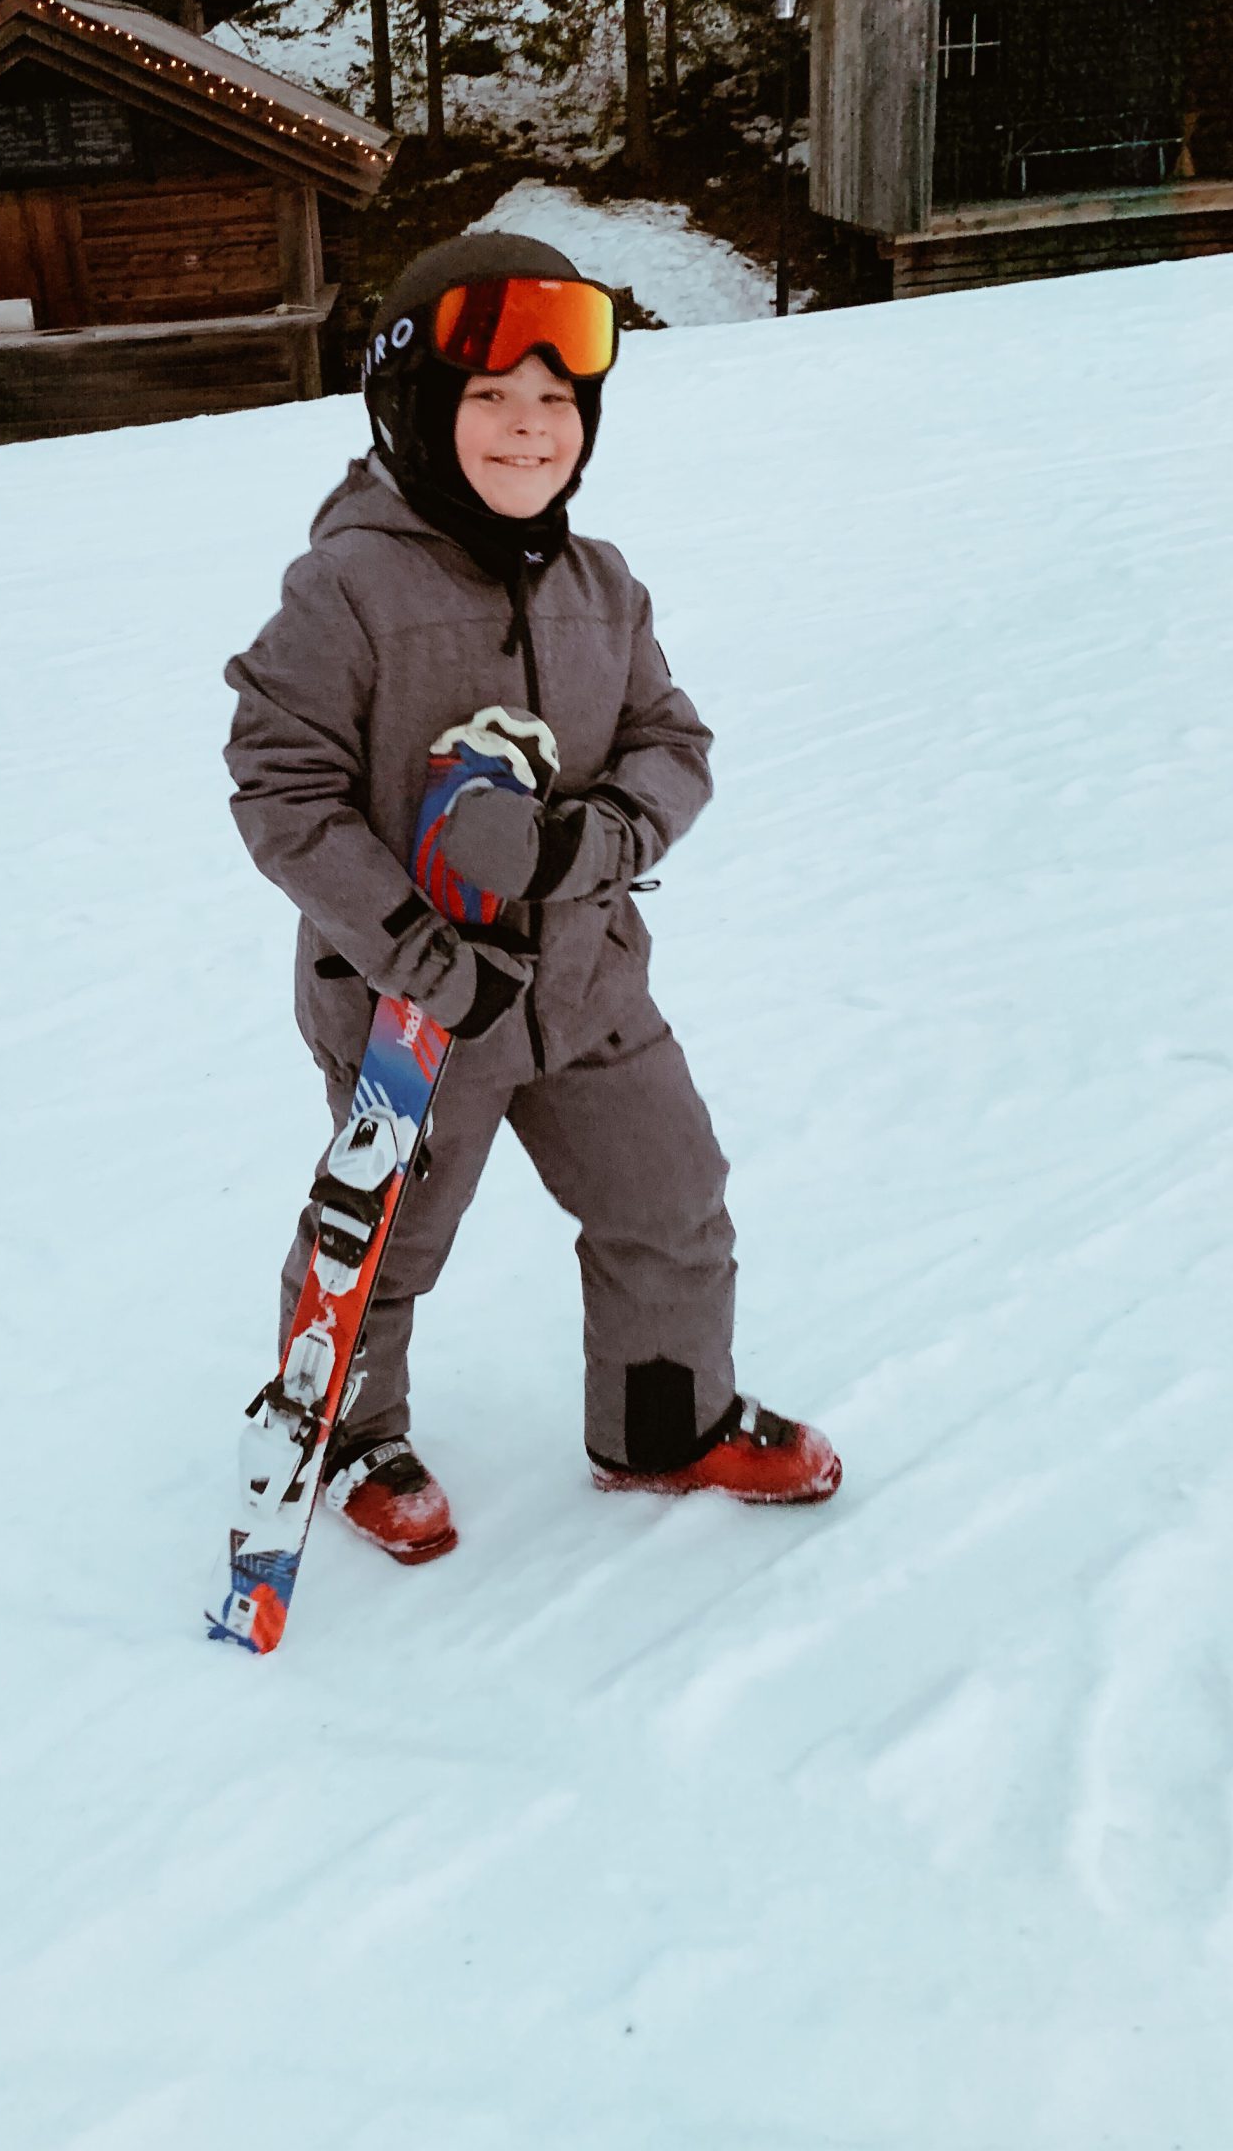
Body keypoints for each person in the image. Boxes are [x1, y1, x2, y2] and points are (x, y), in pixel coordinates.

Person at [222, 232, 840, 1565]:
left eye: (558, 400)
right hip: (414, 1013)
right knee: (386, 1241)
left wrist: (592, 843)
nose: (530, 426)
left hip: (589, 984)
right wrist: (418, 951)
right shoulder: (346, 588)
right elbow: (281, 787)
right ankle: (346, 1433)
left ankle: (663, 1420)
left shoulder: (601, 585)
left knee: (669, 1196)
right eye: (492, 395)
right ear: (414, 409)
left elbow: (674, 742)